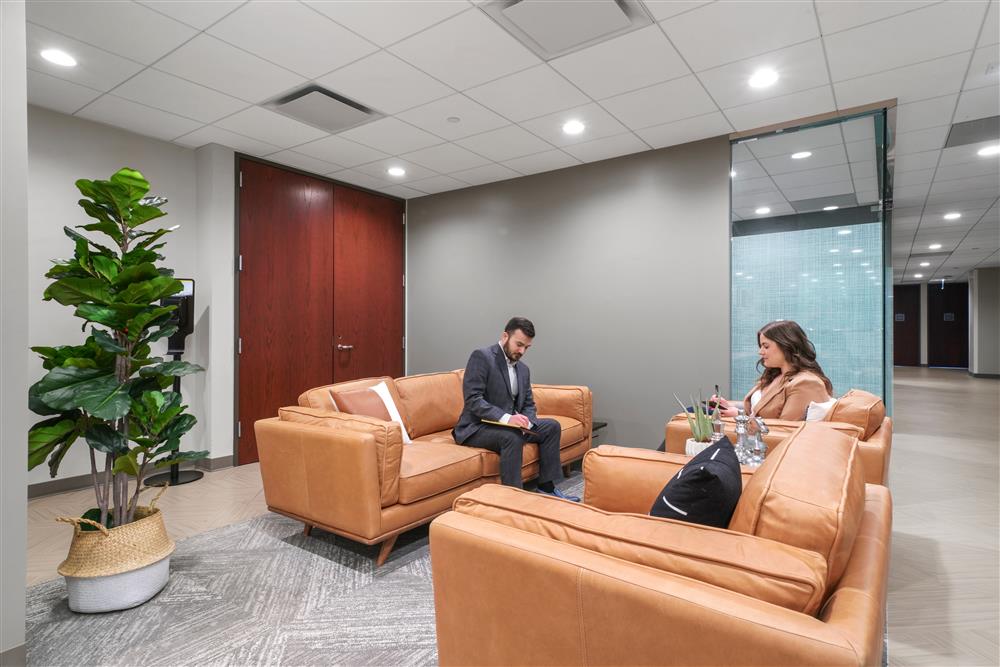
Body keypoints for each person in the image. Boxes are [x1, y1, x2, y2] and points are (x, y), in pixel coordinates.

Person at [453, 317, 578, 501]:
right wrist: (507, 418)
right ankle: (514, 499)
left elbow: (528, 403)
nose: (521, 351)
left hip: (509, 425)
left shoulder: (523, 369)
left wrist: (527, 421)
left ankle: (547, 487)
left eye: (526, 347)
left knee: (551, 426)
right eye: (519, 344)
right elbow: (474, 400)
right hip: (476, 427)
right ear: (505, 336)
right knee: (512, 437)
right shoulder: (482, 357)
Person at [713, 320, 833, 421]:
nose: (760, 352)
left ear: (786, 345)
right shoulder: (775, 374)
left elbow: (785, 429)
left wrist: (740, 416)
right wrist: (729, 406)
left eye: (766, 346)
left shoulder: (806, 383)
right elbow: (760, 409)